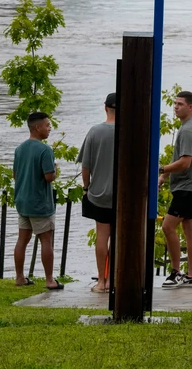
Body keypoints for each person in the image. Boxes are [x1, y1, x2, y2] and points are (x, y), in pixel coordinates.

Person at [159, 91, 192, 289]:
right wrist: (165, 175)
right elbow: (179, 158)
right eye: (175, 104)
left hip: (187, 186)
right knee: (189, 227)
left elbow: (185, 162)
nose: (175, 107)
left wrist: (161, 169)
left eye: (179, 104)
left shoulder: (187, 130)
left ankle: (176, 271)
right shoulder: (191, 127)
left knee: (168, 227)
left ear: (190, 107)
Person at [13, 112, 63, 290]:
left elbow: (15, 175)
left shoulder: (19, 149)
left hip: (22, 201)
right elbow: (49, 177)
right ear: (37, 127)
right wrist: (56, 171)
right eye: (47, 125)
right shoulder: (45, 150)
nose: (50, 128)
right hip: (40, 204)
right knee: (46, 240)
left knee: (22, 240)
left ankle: (19, 277)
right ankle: (50, 280)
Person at [78, 93, 116, 293]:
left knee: (102, 236)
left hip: (99, 195)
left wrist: (86, 187)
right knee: (119, 238)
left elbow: (86, 166)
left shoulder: (94, 132)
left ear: (105, 108)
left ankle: (102, 281)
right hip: (122, 196)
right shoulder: (128, 131)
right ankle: (114, 279)